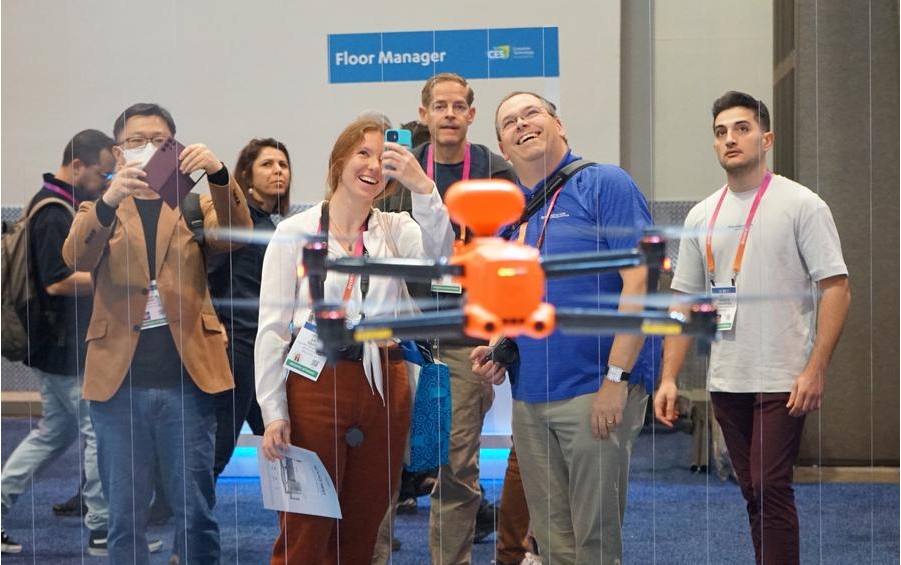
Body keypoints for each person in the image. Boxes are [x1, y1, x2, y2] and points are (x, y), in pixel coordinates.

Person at [653, 91, 850, 565]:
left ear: (767, 138)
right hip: (728, 377)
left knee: (770, 486)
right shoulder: (703, 215)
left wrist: (815, 368)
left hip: (785, 376)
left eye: (741, 128)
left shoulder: (802, 204)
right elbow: (683, 301)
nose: (730, 139)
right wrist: (668, 378)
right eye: (721, 133)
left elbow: (837, 288)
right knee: (753, 492)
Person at [255, 116, 454, 564]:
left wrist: (423, 186)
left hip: (385, 381)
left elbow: (442, 260)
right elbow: (271, 328)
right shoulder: (295, 231)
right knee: (306, 526)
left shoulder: (396, 229)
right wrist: (273, 411)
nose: (372, 165)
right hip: (314, 381)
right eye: (362, 153)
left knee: (365, 525)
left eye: (383, 158)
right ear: (339, 160)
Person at [472, 91, 658, 565]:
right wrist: (499, 346)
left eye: (532, 113)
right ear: (503, 146)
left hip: (594, 391)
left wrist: (616, 381)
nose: (522, 124)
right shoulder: (509, 220)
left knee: (595, 543)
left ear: (560, 126)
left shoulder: (605, 184)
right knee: (554, 544)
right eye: (509, 122)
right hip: (530, 400)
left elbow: (641, 281)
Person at [62, 102, 251, 565]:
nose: (146, 148)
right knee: (124, 515)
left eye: (157, 141)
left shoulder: (192, 201)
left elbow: (237, 235)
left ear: (174, 147)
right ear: (118, 151)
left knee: (195, 511)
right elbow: (77, 257)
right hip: (117, 386)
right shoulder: (97, 206)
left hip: (187, 381)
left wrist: (220, 174)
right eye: (134, 141)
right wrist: (109, 200)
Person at [377, 72, 518, 565]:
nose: (450, 114)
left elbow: (510, 254)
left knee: (457, 464)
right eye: (440, 106)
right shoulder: (398, 174)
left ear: (472, 115)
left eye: (459, 106)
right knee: (385, 456)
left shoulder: (496, 174)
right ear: (425, 113)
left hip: (465, 337)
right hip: (405, 336)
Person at [1, 130, 119, 556]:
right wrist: (115, 283)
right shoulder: (55, 213)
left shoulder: (50, 203)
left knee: (53, 434)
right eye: (103, 169)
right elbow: (56, 281)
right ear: (79, 165)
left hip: (53, 345)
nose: (107, 178)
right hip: (63, 347)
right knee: (95, 433)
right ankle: (103, 529)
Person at [208, 138, 292, 479]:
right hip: (236, 345)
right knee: (221, 442)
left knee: (282, 437)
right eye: (267, 164)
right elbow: (207, 276)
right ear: (246, 173)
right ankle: (181, 514)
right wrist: (214, 326)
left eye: (283, 165)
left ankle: (304, 519)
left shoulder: (272, 224)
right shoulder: (239, 223)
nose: (277, 172)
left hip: (265, 343)